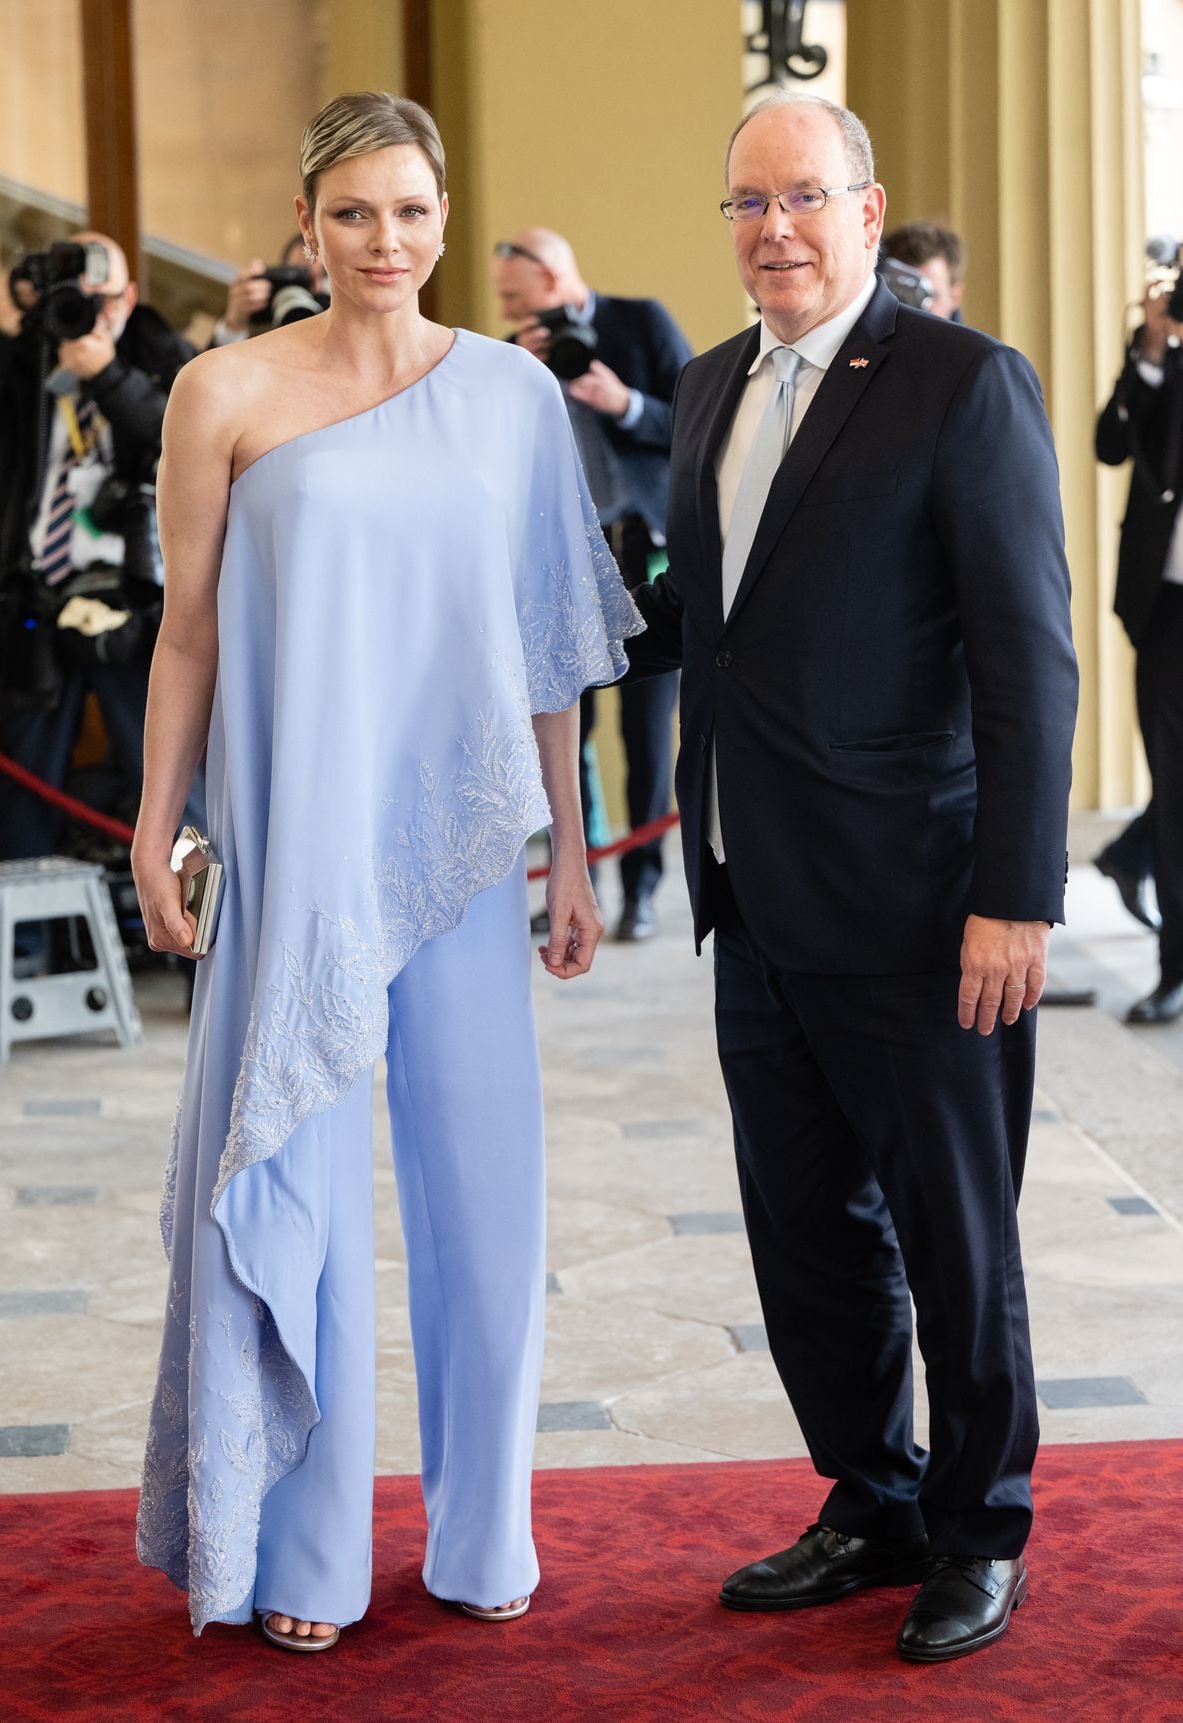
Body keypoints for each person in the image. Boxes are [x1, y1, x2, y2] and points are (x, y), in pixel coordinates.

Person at [132, 90, 640, 1651]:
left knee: (486, 1197)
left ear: (442, 216)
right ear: (307, 224)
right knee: (297, 1179)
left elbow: (554, 642)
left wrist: (569, 846)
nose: (387, 242)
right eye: (354, 213)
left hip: (473, 847)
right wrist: (158, 819)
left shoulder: (510, 395)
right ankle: (312, 1553)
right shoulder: (221, 390)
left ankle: (490, 1530)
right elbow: (193, 630)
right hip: (295, 842)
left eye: (413, 212)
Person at [626, 92, 1077, 1663]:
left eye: (805, 199)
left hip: (921, 905)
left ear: (869, 211)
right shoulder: (702, 391)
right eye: (748, 205)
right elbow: (699, 619)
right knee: (805, 1228)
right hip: (753, 897)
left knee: (957, 1236)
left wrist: (1016, 894)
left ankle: (980, 1521)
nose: (776, 233)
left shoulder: (963, 384)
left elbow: (1031, 665)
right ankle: (874, 1494)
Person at [492, 228, 689, 941]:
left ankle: (642, 889)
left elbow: (699, 423)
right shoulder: (514, 355)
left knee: (643, 732)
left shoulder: (641, 321)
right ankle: (583, 880)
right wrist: (519, 372)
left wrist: (624, 402)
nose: (509, 310)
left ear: (554, 278)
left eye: (516, 297)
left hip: (643, 549)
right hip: (562, 557)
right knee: (565, 730)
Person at [0, 232, 196, 861]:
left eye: (100, 300)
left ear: (129, 296)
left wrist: (105, 376)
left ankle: (201, 948)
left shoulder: (162, 354)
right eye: (74, 298)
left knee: (170, 790)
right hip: (36, 598)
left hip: (139, 610)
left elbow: (179, 444)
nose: (86, 314)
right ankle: (22, 953)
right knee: (26, 796)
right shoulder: (27, 356)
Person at [1096, 272, 1183, 1021]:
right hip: (1168, 612)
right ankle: (1174, 970)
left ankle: (1129, 852)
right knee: (1177, 785)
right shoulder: (1158, 358)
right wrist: (1152, 349)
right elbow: (1109, 442)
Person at [210, 235, 330, 345]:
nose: (317, 286)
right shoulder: (261, 328)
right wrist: (234, 324)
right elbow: (214, 367)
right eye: (302, 275)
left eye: (325, 275)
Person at [881, 220, 965, 321]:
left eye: (928, 295)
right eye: (902, 295)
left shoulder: (975, 337)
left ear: (955, 297)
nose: (915, 311)